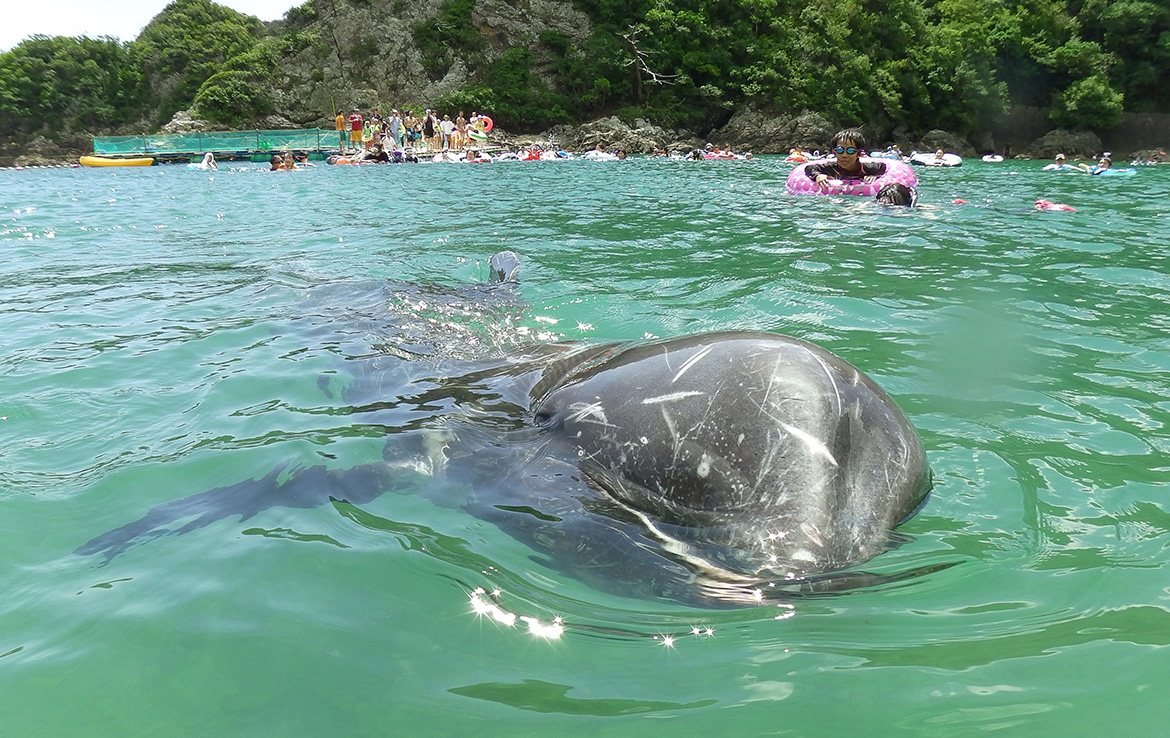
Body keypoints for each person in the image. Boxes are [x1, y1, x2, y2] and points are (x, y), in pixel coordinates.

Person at [806, 128, 887, 190]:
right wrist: (817, 175)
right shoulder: (832, 168)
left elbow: (882, 166)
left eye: (850, 151)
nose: (844, 155)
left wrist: (875, 175)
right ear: (835, 152)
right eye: (840, 150)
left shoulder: (867, 168)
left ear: (859, 154)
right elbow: (809, 168)